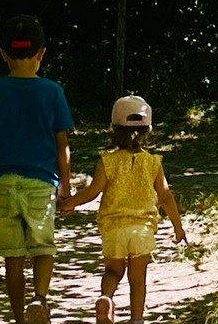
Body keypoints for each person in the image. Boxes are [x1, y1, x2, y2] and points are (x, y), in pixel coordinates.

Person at [0, 15, 74, 324]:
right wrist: (66, 185)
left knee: (13, 256)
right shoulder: (52, 92)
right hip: (40, 182)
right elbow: (62, 144)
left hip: (4, 182)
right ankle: (40, 299)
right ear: (41, 53)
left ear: (4, 54)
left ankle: (20, 318)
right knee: (43, 246)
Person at [58, 95, 186, 324]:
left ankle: (106, 298)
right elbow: (165, 196)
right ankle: (136, 319)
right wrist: (178, 226)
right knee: (138, 279)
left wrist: (69, 203)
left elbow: (93, 192)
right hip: (142, 230)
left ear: (114, 129)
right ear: (148, 130)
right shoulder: (153, 162)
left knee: (113, 271)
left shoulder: (107, 161)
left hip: (114, 228)